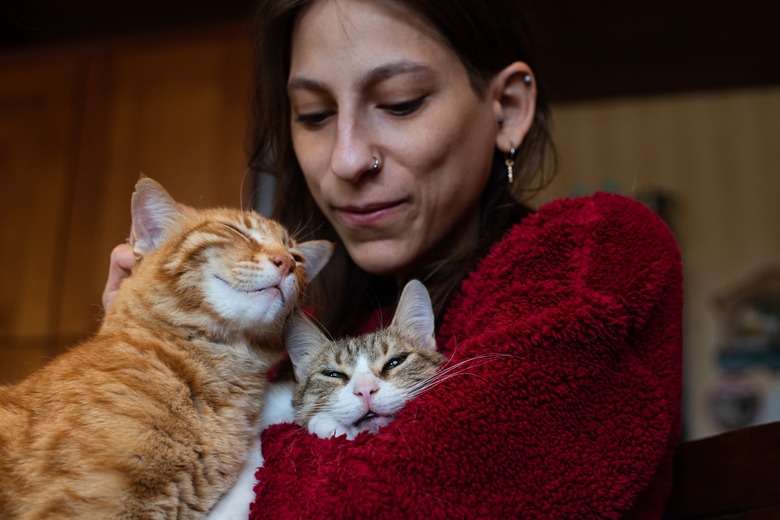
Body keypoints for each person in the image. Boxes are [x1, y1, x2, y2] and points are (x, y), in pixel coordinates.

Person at [104, 0, 683, 517]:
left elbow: (391, 500)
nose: (348, 158)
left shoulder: (593, 251)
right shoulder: (309, 327)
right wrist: (145, 372)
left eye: (400, 103)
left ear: (506, 108)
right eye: (313, 115)